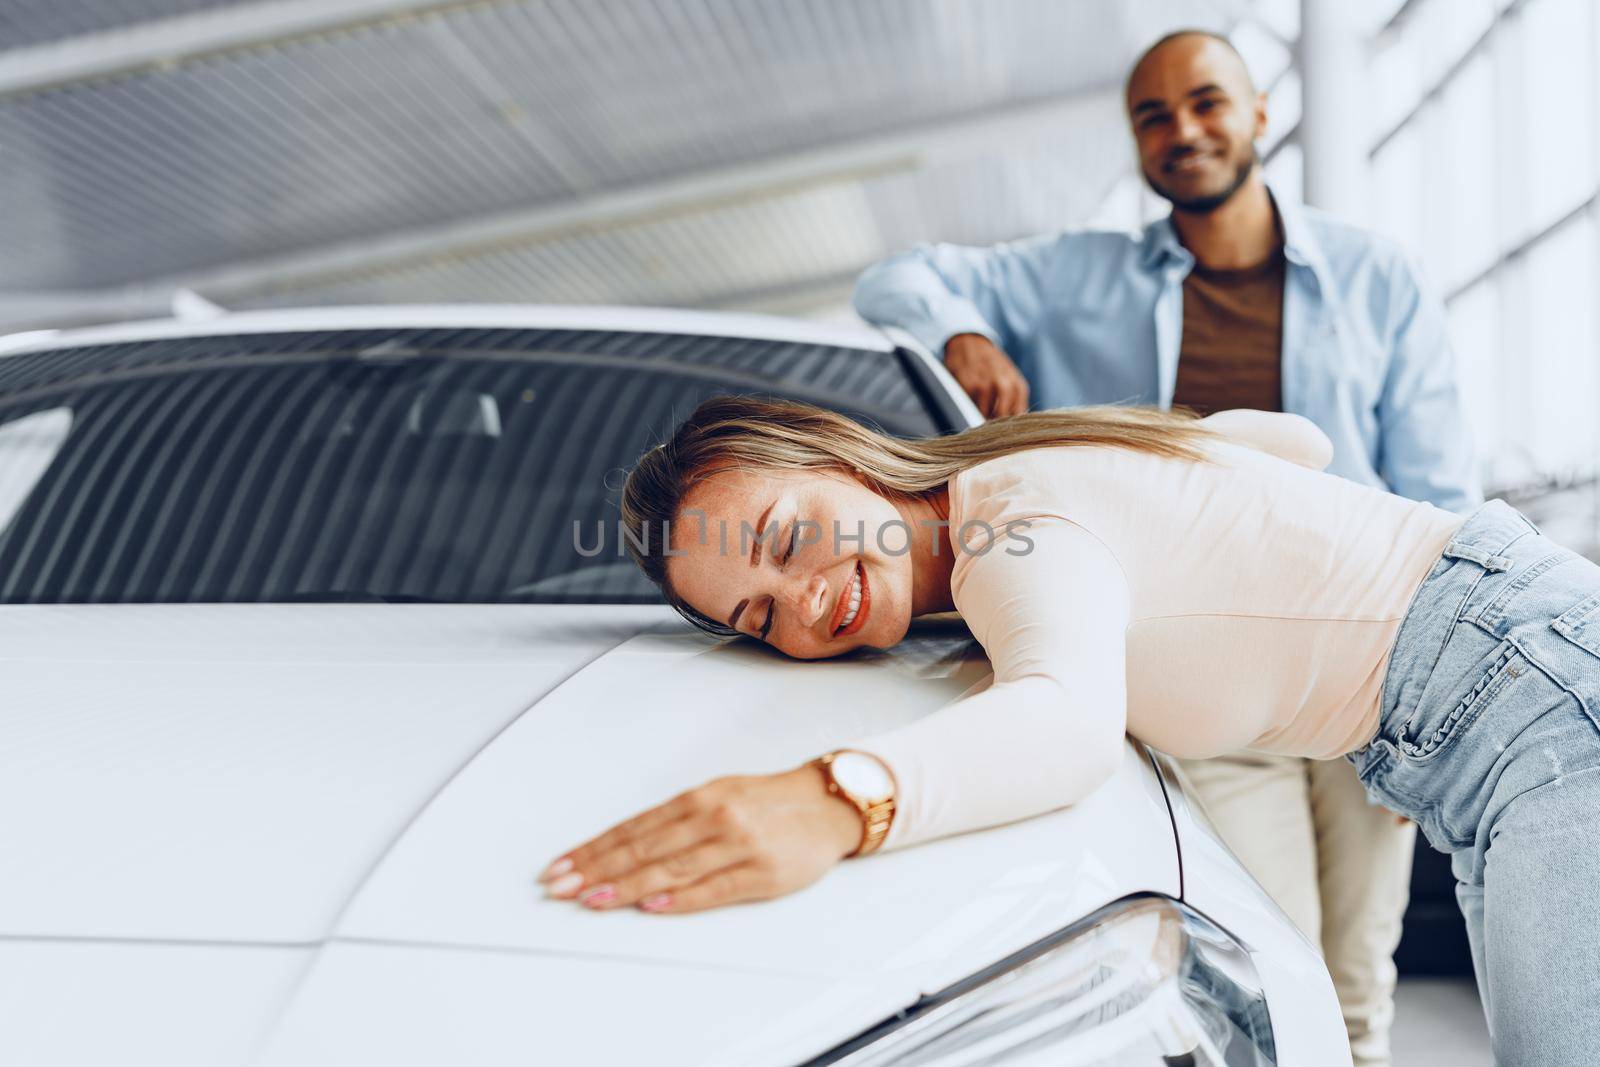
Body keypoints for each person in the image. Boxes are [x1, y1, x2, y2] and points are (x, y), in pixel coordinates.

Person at [540, 394, 1600, 1063]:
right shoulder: (1033, 469)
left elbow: (1067, 721)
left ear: (848, 458)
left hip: (1533, 701)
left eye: (787, 536)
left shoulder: (1010, 529)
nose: (805, 602)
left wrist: (824, 797)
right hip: (1503, 699)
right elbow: (1297, 440)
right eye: (758, 618)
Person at [847, 29, 1481, 1066]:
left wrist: (1428, 696)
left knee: (1363, 981)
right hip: (1205, 668)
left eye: (1205, 103)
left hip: (1368, 649)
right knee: (1278, 962)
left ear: (1258, 115)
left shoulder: (1376, 279)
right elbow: (899, 274)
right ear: (1138, 143)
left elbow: (1434, 482)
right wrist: (962, 332)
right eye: (1153, 115)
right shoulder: (1075, 276)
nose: (1182, 130)